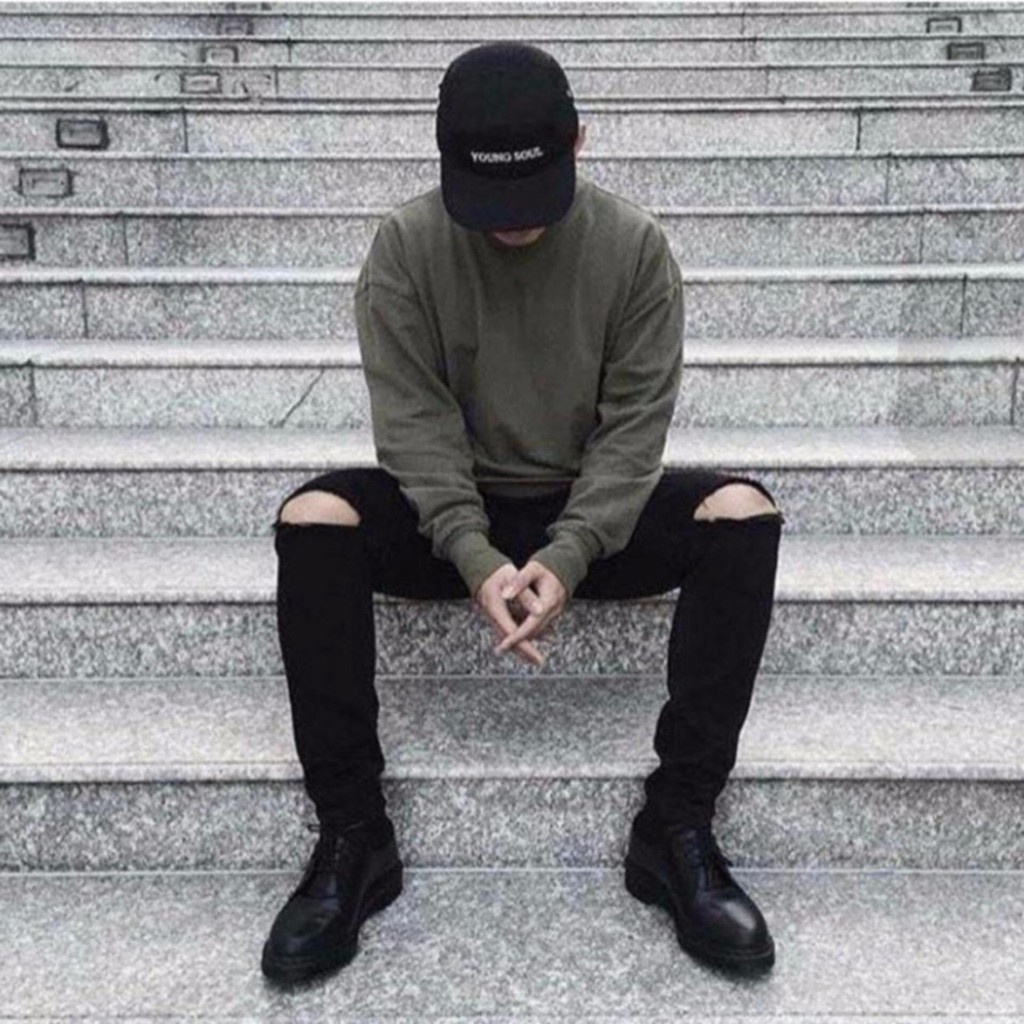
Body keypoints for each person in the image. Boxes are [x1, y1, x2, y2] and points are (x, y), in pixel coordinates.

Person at [261, 41, 786, 985]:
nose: (510, 223)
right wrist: (473, 556)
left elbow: (634, 430)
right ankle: (352, 835)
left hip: (588, 511)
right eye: (487, 199)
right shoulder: (405, 247)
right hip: (450, 515)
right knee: (314, 519)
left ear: (579, 142)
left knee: (741, 512)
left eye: (531, 194)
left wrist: (571, 552)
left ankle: (676, 826)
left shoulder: (635, 248)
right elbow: (413, 426)